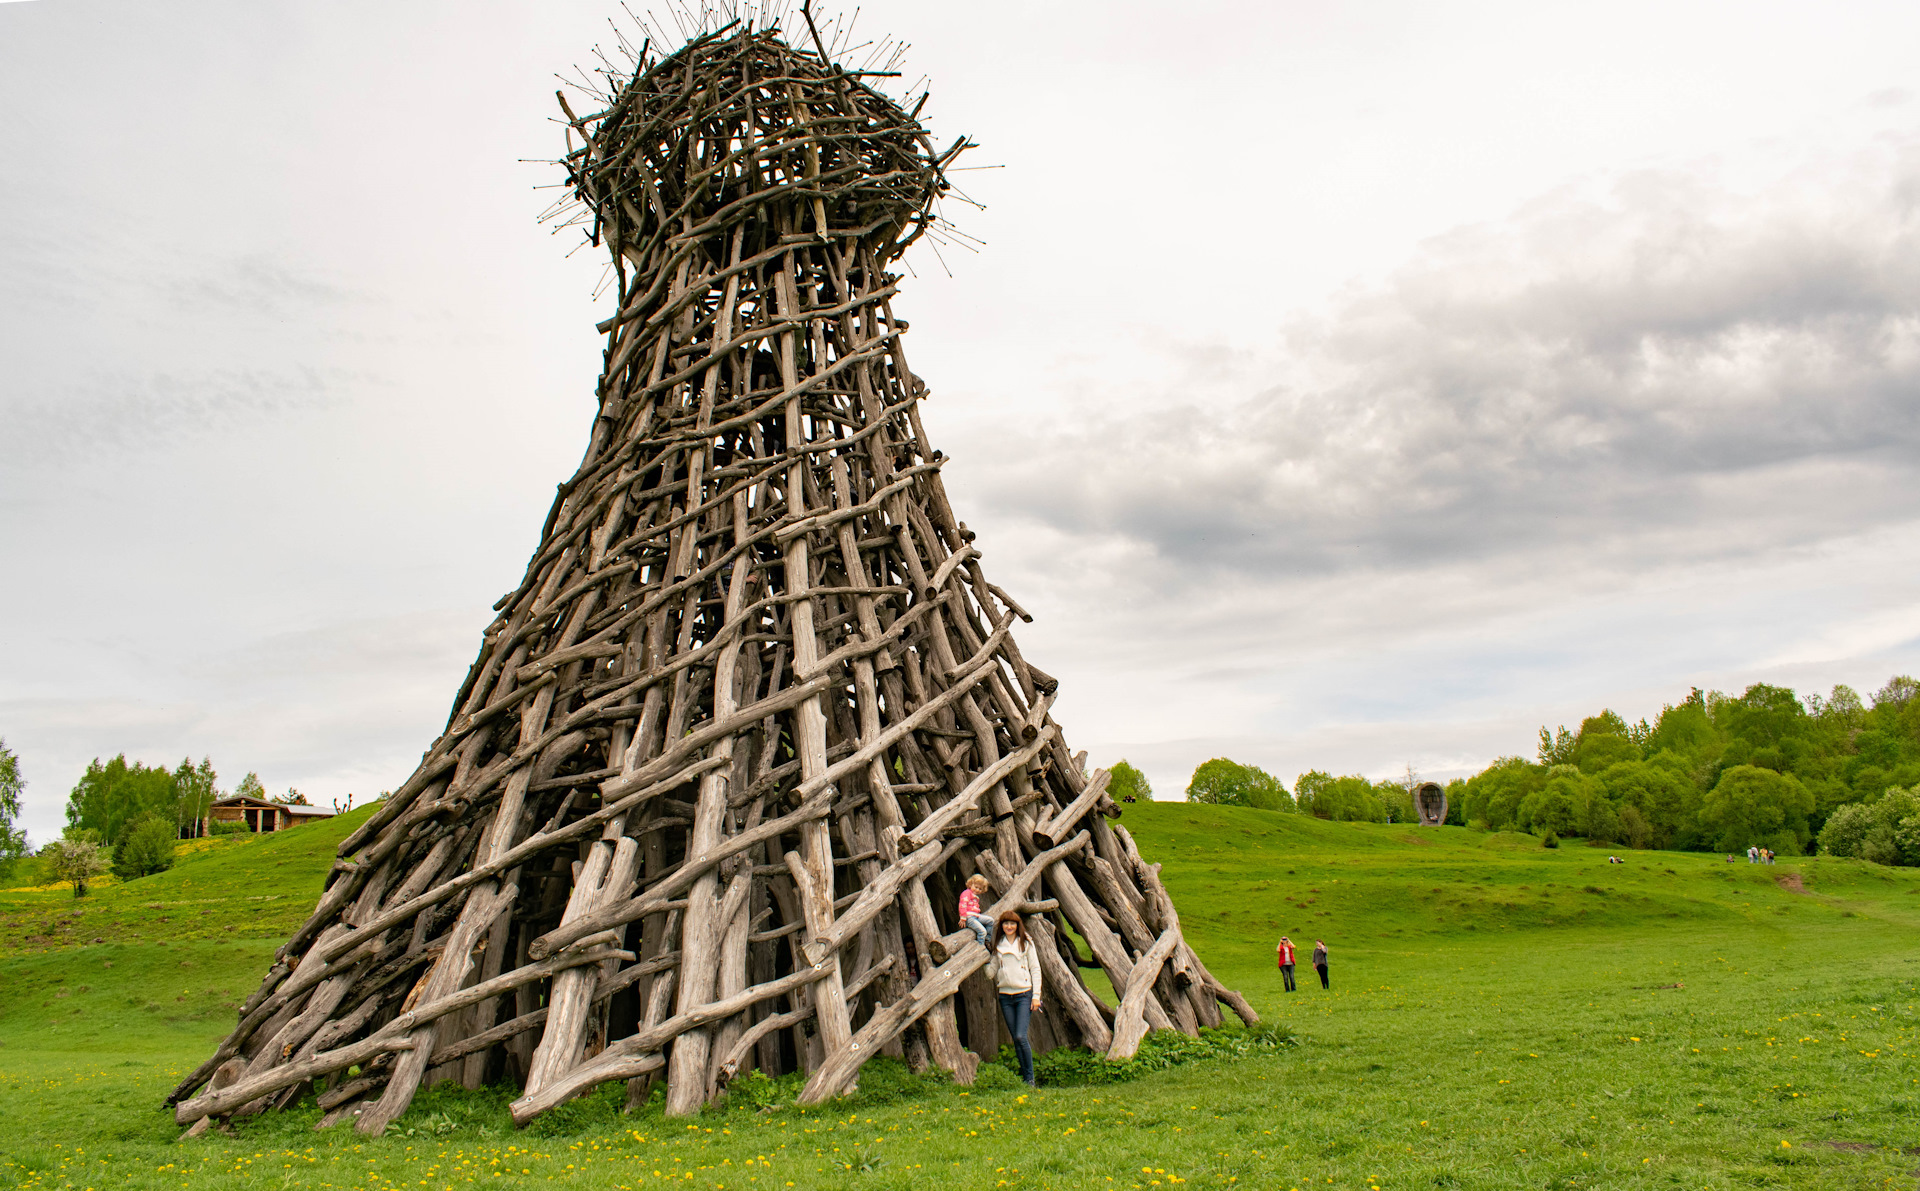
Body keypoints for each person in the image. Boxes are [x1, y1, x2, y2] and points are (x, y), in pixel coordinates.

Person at [989, 911, 1043, 1085]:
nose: (1009, 927)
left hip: (1024, 995)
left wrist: (1036, 996)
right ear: (1002, 926)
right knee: (1015, 1038)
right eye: (1006, 923)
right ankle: (1025, 1078)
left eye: (1012, 923)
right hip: (1005, 996)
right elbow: (991, 971)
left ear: (1018, 925)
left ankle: (1030, 1078)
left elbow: (1035, 969)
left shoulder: (1026, 943)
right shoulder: (999, 945)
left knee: (1021, 1036)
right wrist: (982, 959)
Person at [959, 874, 994, 945]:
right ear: (970, 884)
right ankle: (980, 946)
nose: (977, 890)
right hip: (969, 918)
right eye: (976, 887)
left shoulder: (975, 897)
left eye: (980, 889)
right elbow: (963, 904)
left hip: (976, 916)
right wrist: (963, 917)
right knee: (982, 931)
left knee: (990, 921)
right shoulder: (967, 893)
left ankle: (987, 940)